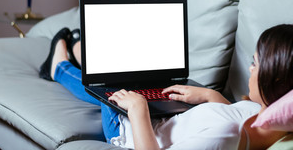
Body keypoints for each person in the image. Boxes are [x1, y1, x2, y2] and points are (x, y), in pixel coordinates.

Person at [39, 24, 293, 150]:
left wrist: (138, 109)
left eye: (254, 63)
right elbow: (235, 115)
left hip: (129, 130)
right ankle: (79, 49)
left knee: (109, 83)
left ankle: (60, 66)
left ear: (276, 79)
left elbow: (227, 131)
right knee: (125, 71)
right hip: (166, 118)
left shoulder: (223, 137)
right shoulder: (264, 116)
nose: (250, 69)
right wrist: (209, 95)